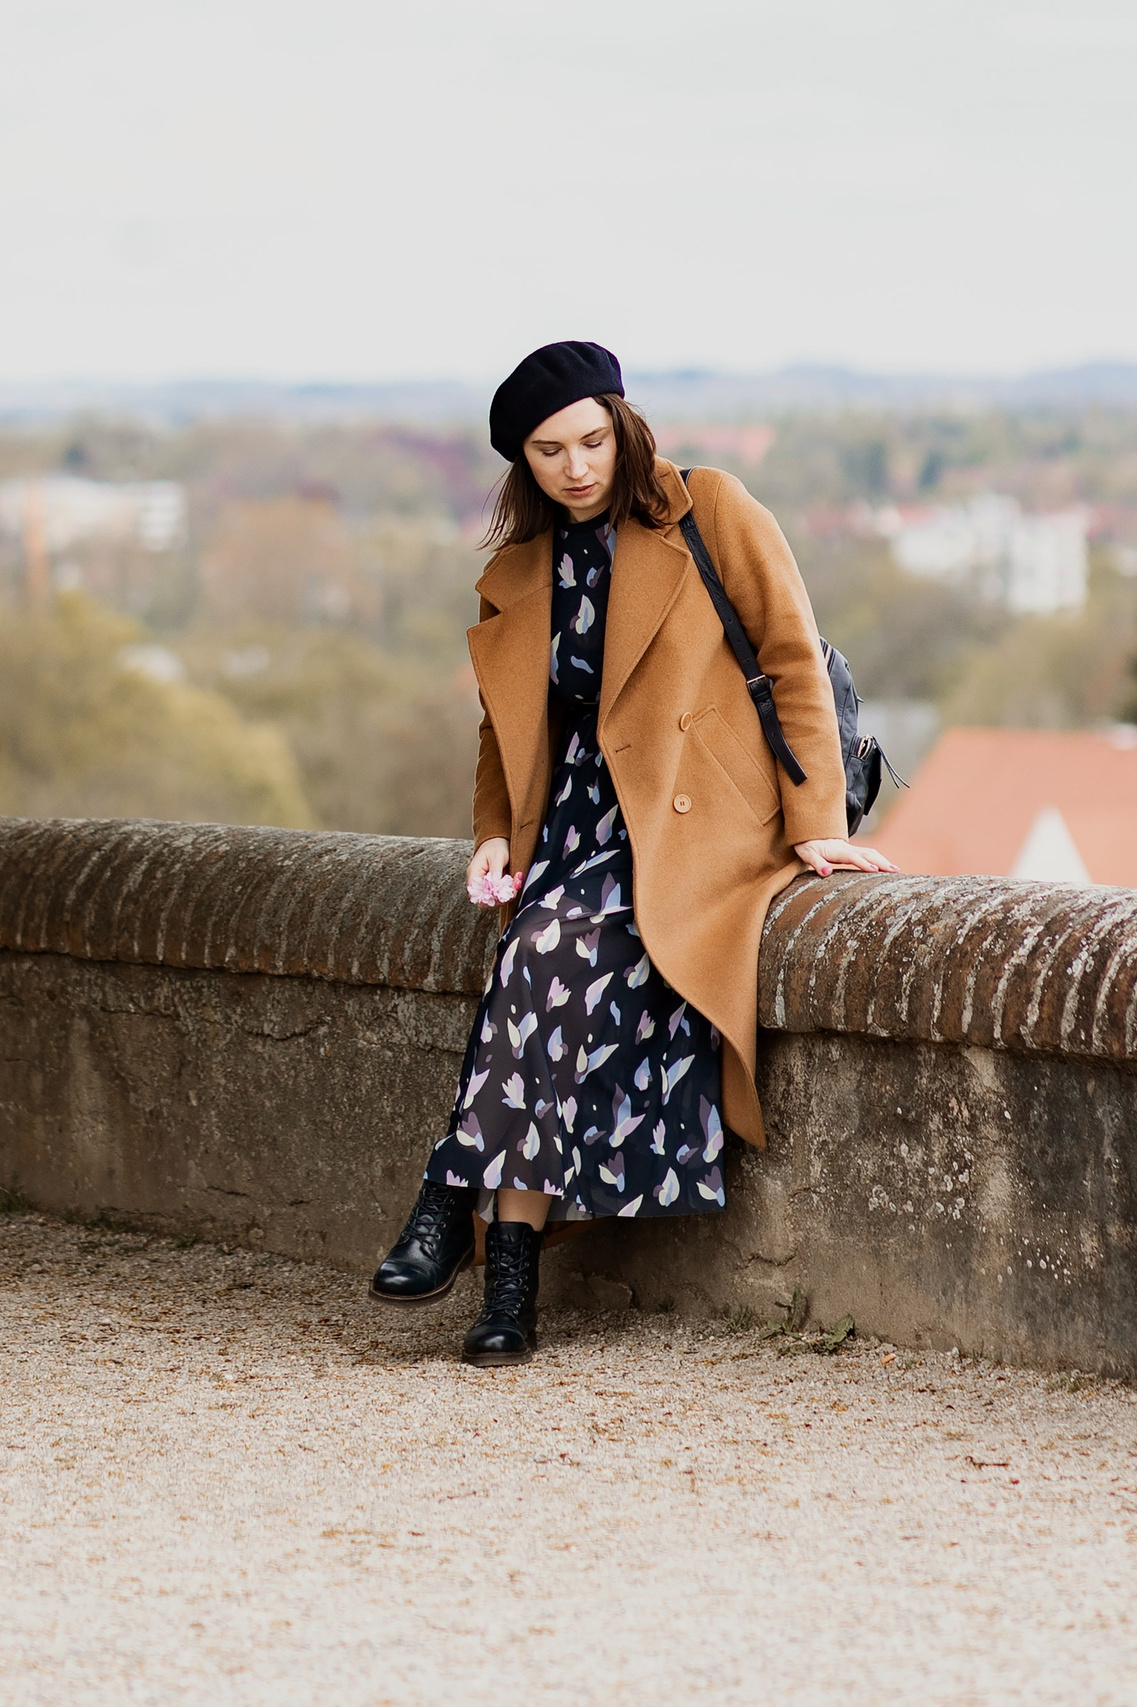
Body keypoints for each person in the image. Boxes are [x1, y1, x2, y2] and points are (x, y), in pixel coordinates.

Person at [369, 340, 895, 1366]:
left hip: (694, 822)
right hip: (572, 827)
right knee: (539, 977)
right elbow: (502, 729)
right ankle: (506, 1287)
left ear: (622, 423)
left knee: (542, 955)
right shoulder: (518, 574)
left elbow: (790, 653)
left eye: (592, 439)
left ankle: (450, 1203)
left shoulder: (706, 508)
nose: (577, 465)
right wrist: (490, 832)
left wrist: (814, 823)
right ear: (522, 462)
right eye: (550, 449)